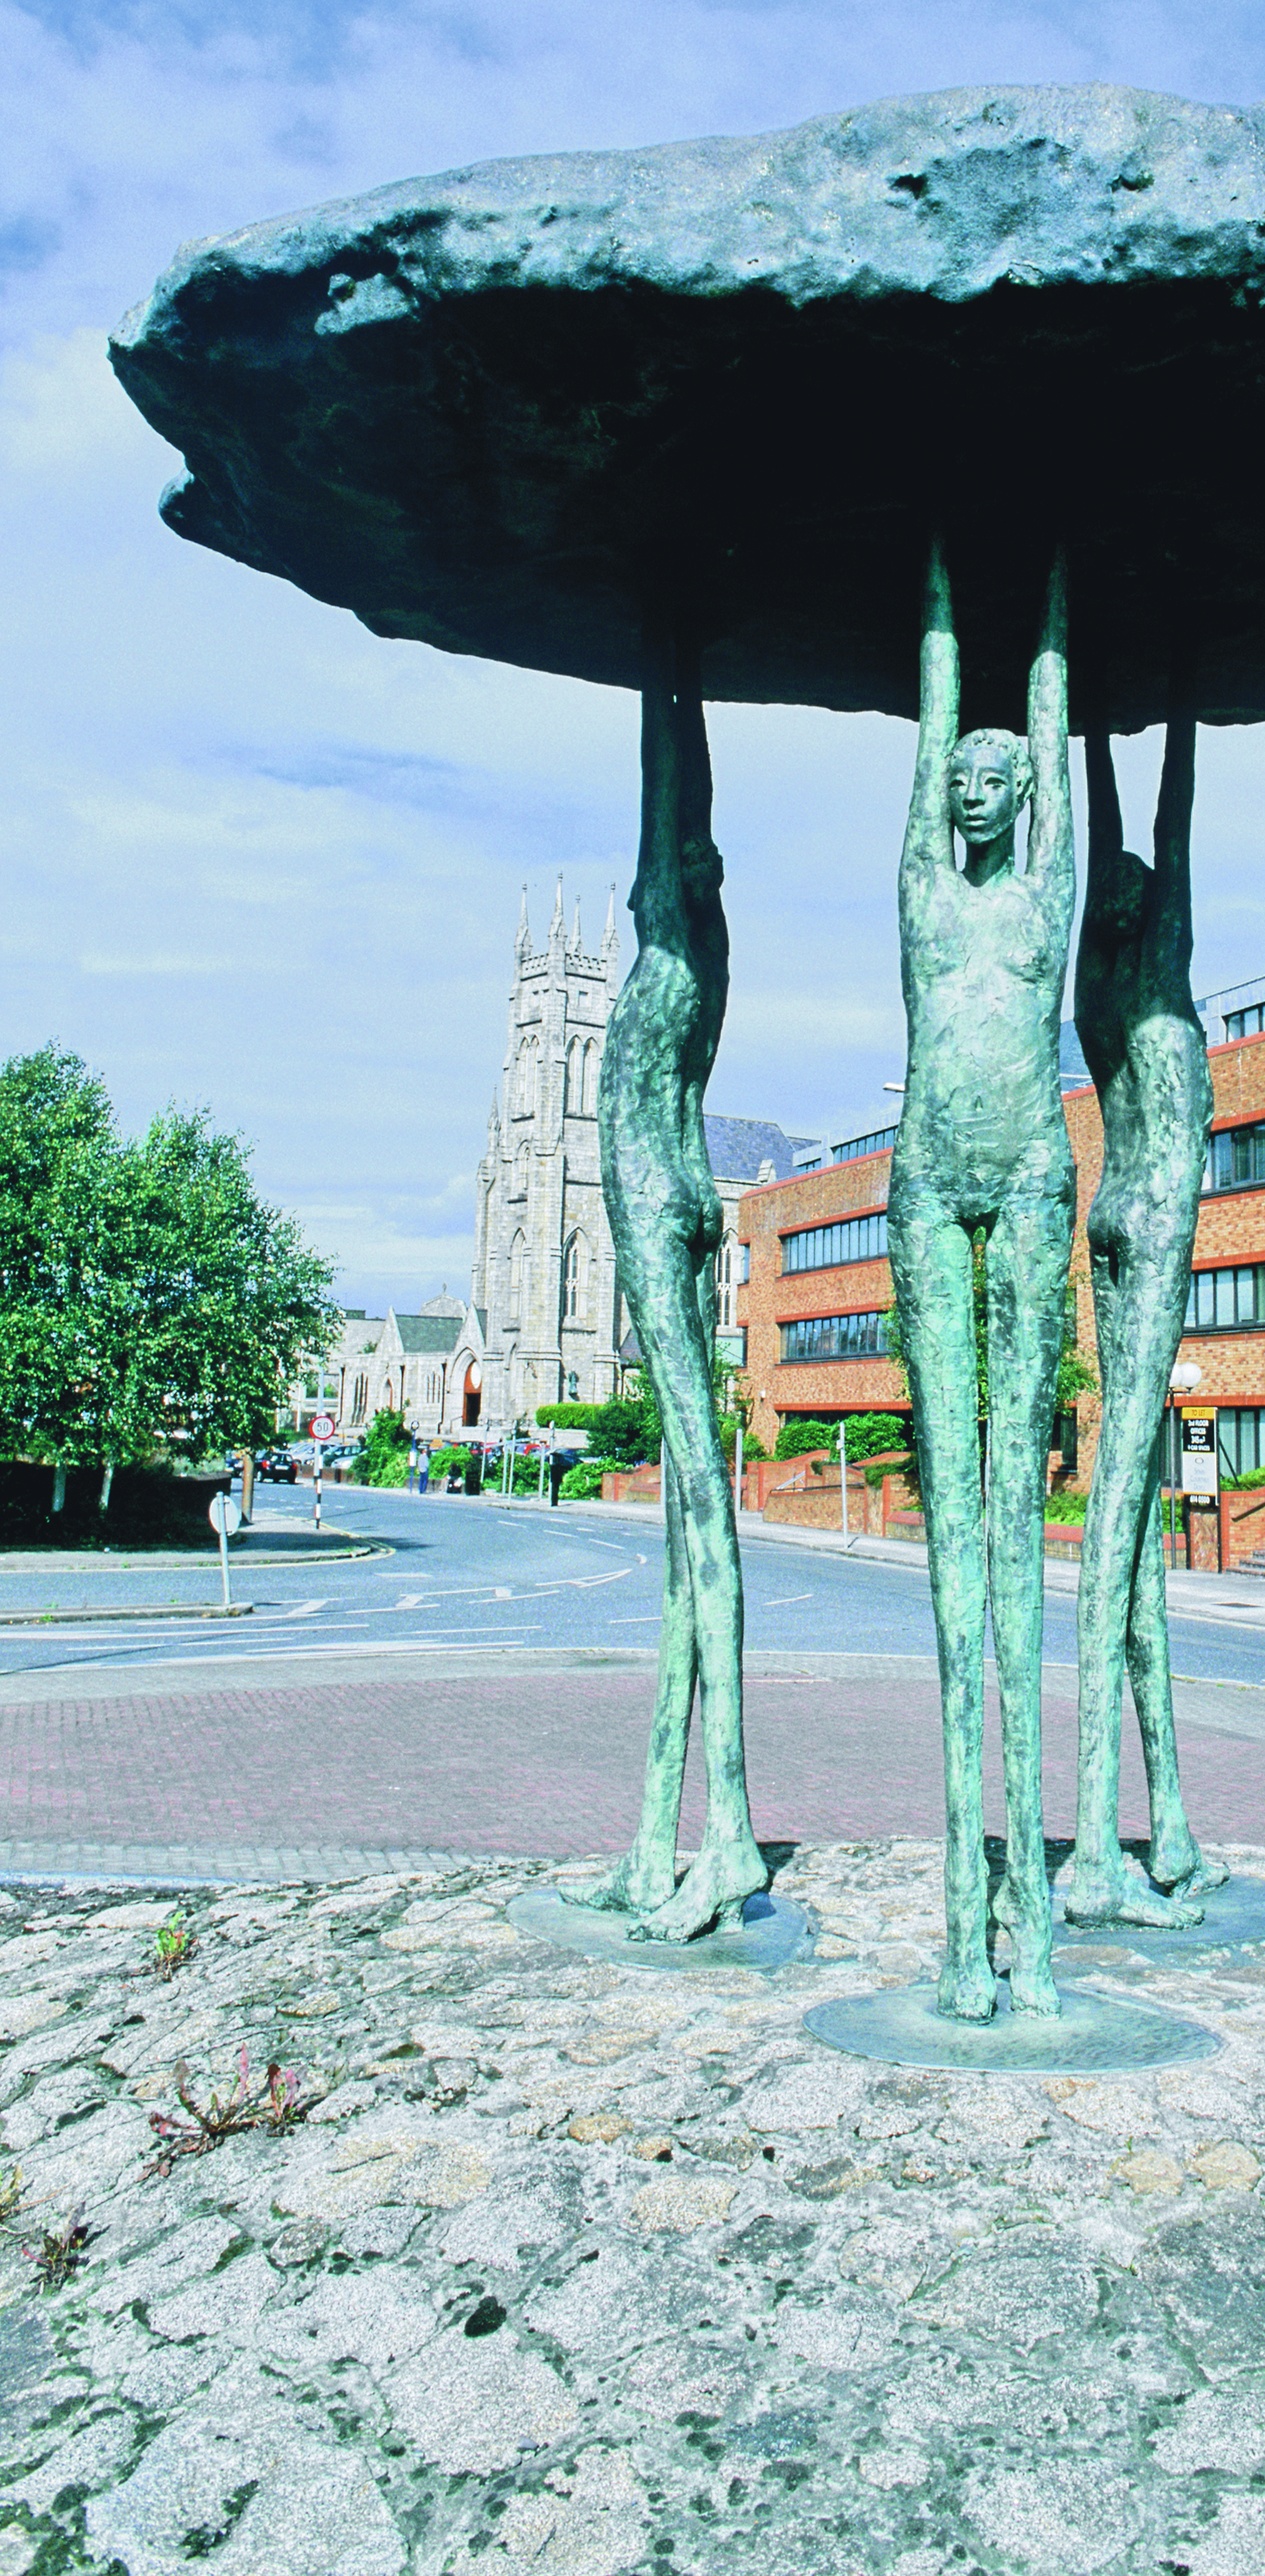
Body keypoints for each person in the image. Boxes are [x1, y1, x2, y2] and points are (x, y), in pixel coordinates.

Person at [889, 545, 1075, 2021]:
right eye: (956, 774)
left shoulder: (1040, 899)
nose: (968, 788)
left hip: (1025, 1173)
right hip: (922, 1175)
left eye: (991, 775)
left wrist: (1051, 595)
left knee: (1014, 1516)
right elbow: (924, 733)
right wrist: (941, 592)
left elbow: (1054, 732)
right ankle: (965, 1918)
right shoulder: (921, 894)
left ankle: (1034, 1909)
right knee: (951, 1524)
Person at [575, 661, 768, 1940]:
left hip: (655, 1192)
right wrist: (683, 683)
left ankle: (728, 1828)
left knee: (701, 1515)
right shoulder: (705, 959)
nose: (650, 878)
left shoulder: (669, 946)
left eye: (665, 872)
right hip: (681, 1189)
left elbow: (667, 801)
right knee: (682, 1536)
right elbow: (682, 810)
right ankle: (657, 1831)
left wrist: (666, 670)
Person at [1068, 695, 1228, 1926]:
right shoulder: (1158, 973)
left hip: (1108, 1207)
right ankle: (1104, 1838)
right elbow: (1166, 829)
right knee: (1118, 1516)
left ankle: (1163, 1818)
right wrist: (1175, 707)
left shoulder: (1098, 983)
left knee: (1128, 1539)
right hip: (1158, 1208)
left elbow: (1109, 839)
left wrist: (1089, 741)